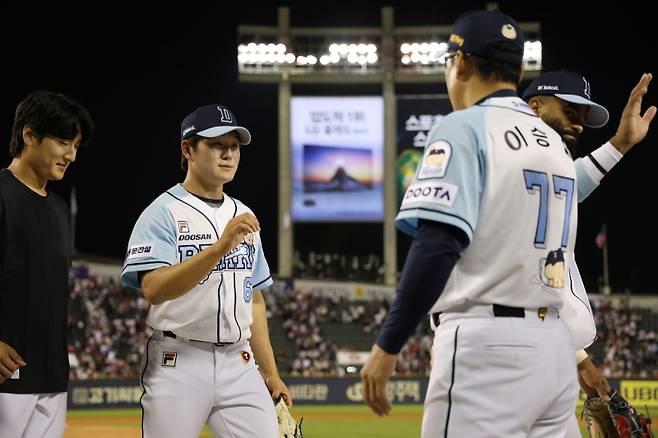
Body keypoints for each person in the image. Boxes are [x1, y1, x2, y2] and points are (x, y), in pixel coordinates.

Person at [361, 10, 581, 436]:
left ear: (459, 63)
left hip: (489, 349)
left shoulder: (462, 127)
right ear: (518, 70)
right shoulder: (553, 142)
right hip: (555, 347)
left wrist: (387, 346)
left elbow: (437, 245)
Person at [121, 104, 290, 437]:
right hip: (179, 360)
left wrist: (270, 373)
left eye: (234, 146)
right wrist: (218, 248)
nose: (228, 154)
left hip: (238, 362)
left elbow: (253, 299)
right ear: (188, 149)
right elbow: (153, 288)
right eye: (216, 144)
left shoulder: (243, 213)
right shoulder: (162, 212)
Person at [523, 69, 656, 437]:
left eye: (582, 117)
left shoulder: (548, 173)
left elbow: (569, 184)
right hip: (519, 354)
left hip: (549, 352)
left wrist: (621, 143)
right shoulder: (514, 165)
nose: (579, 124)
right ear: (534, 108)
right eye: (570, 111)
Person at [0, 90, 94, 437]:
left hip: (53, 376)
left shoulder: (56, 208)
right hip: (7, 377)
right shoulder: (2, 195)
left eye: (76, 145)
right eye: (62, 141)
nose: (71, 154)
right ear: (29, 135)